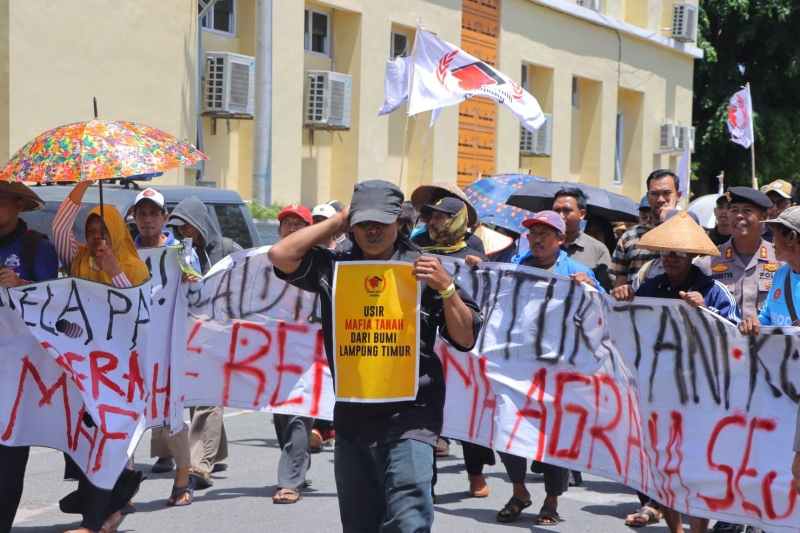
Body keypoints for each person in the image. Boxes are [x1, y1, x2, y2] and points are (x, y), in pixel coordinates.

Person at [269, 179, 483, 532]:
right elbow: (280, 256)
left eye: (380, 222)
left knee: (408, 521)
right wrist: (337, 221)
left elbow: (465, 338)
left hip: (412, 418)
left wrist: (446, 290)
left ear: (399, 222)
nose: (371, 231)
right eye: (363, 222)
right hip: (353, 421)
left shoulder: (425, 269)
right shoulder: (333, 267)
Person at [614, 211, 740, 533]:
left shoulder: (713, 291)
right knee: (662, 467)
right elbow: (628, 325)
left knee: (695, 468)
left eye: (677, 253)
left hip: (702, 395)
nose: (669, 258)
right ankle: (676, 530)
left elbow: (736, 335)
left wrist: (706, 312)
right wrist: (624, 296)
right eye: (665, 252)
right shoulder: (650, 287)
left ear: (692, 256)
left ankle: (697, 529)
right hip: (658, 392)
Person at [491, 210, 600, 525]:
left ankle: (550, 501)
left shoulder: (577, 271)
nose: (537, 238)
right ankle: (520, 490)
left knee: (554, 437)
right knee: (506, 428)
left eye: (545, 233)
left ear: (560, 240)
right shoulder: (517, 268)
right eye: (533, 232)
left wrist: (589, 289)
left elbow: (602, 314)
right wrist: (479, 271)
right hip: (517, 366)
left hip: (558, 372)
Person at [52, 180, 149, 533]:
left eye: (103, 229)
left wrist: (113, 271)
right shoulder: (77, 258)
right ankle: (105, 512)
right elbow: (60, 227)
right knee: (85, 440)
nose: (95, 236)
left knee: (110, 441)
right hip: (80, 368)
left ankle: (99, 518)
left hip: (118, 372)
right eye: (91, 229)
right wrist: (82, 185)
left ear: (119, 231)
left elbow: (137, 312)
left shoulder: (134, 268)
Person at [412, 195, 495, 499]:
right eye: (431, 217)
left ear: (458, 219)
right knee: (427, 415)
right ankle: (425, 482)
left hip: (462, 344)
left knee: (467, 404)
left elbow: (487, 287)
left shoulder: (473, 250)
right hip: (427, 340)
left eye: (441, 217)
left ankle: (476, 472)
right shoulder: (418, 246)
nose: (434, 222)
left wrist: (480, 267)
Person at [168, 196, 242, 490]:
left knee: (208, 398)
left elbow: (244, 278)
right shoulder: (176, 252)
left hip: (220, 332)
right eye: (179, 227)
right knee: (198, 394)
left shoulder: (227, 249)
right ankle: (215, 449)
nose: (183, 231)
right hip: (189, 333)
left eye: (187, 226)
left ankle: (200, 463)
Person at [130, 187, 197, 507]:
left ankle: (183, 481)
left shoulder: (181, 252)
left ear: (164, 217)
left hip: (170, 346)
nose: (147, 219)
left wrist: (190, 280)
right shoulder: (124, 253)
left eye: (153, 213)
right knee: (126, 415)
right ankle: (122, 488)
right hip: (132, 346)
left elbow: (198, 296)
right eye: (141, 213)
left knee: (173, 414)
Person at [0, 182, 59, 533]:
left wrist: (22, 285)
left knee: (8, 457)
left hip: (20, 374)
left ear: (18, 205)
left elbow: (56, 301)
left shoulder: (38, 247)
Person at [271, 204, 317, 504]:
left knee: (299, 415)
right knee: (281, 416)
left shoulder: (320, 264)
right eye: (286, 223)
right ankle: (298, 462)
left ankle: (290, 480)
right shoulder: (267, 260)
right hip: (274, 354)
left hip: (312, 353)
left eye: (297, 223)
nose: (291, 228)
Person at [697, 187, 779, 318]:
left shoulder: (781, 260)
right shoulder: (708, 262)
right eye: (734, 210)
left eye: (747, 211)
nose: (739, 216)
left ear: (763, 217)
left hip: (768, 337)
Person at [612, 169, 682, 297]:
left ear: (678, 195)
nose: (660, 199)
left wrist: (669, 221)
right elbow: (619, 284)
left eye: (666, 193)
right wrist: (621, 292)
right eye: (654, 194)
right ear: (648, 196)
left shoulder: (691, 233)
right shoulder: (629, 237)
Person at [552, 187, 613, 290]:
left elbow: (605, 292)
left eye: (566, 210)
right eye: (556, 210)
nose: (560, 216)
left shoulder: (598, 250)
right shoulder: (542, 245)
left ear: (582, 214)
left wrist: (590, 284)